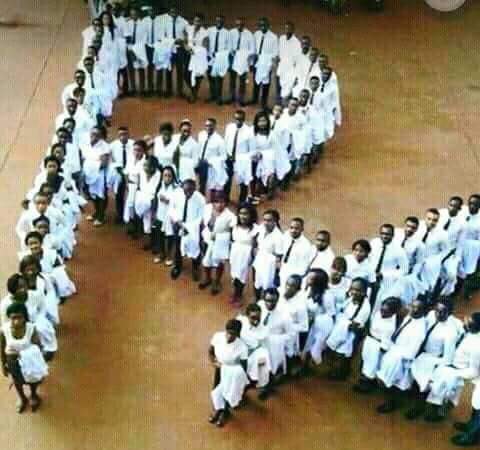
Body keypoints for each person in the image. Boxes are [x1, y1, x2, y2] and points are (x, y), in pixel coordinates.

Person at [406, 298, 462, 421]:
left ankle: (419, 408)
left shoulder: (450, 332)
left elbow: (448, 358)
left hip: (432, 359)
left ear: (449, 313)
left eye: (442, 312)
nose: (438, 314)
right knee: (414, 380)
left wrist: (432, 365)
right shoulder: (431, 315)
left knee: (423, 385)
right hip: (420, 353)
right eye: (436, 310)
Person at [425, 312, 480, 425]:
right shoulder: (465, 331)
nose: (465, 321)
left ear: (475, 326)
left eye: (469, 321)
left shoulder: (476, 346)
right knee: (437, 390)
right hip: (448, 363)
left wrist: (456, 374)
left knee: (450, 395)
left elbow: (474, 371)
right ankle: (435, 410)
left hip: (458, 370)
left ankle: (440, 414)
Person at [376, 299, 428, 413]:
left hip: (400, 359)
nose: (412, 309)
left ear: (423, 311)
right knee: (387, 380)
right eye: (412, 306)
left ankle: (391, 404)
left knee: (395, 384)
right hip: (394, 352)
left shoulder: (420, 330)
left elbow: (411, 352)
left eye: (416, 308)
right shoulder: (410, 317)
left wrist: (395, 353)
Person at [1, 302, 48, 413]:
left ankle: (33, 395)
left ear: (24, 317)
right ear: (9, 318)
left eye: (19, 317)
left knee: (33, 380)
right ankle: (22, 398)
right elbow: (1, 348)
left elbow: (38, 347)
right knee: (17, 381)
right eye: (13, 318)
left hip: (29, 362)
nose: (16, 321)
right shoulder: (4, 330)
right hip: (13, 362)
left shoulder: (31, 329)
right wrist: (3, 365)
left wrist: (25, 354)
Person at [326, 277, 371, 380]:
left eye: (358, 290)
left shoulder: (365, 307)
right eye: (353, 289)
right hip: (341, 328)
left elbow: (355, 326)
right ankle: (335, 371)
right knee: (336, 352)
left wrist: (344, 323)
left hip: (350, 333)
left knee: (342, 354)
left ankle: (341, 374)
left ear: (364, 292)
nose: (354, 292)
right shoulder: (351, 299)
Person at [353, 297, 401, 393]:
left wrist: (380, 352)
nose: (382, 312)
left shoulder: (390, 326)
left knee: (372, 366)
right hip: (370, 340)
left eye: (386, 311)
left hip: (377, 346)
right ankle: (362, 380)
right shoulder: (379, 313)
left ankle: (366, 386)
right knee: (364, 361)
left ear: (392, 313)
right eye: (382, 309)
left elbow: (385, 343)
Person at [208, 319, 249, 427]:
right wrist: (213, 362)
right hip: (219, 368)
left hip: (232, 373)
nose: (229, 336)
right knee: (216, 388)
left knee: (227, 391)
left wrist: (236, 378)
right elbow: (211, 351)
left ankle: (225, 412)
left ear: (238, 334)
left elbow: (244, 366)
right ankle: (218, 409)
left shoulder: (242, 347)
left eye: (233, 334)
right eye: (228, 332)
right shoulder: (218, 337)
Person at [199, 191, 236, 295]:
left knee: (219, 262)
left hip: (220, 242)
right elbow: (203, 222)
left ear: (226, 203)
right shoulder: (207, 208)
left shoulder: (230, 216)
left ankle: (217, 281)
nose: (219, 205)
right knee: (206, 260)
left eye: (222, 202)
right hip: (207, 238)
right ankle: (208, 278)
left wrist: (222, 237)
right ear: (213, 202)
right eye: (217, 202)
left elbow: (233, 230)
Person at [369, 224, 408, 312]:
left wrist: (384, 274)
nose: (384, 236)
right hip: (370, 279)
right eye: (382, 233)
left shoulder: (399, 250)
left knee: (377, 306)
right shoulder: (374, 243)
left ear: (392, 235)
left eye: (387, 234)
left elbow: (404, 270)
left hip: (384, 283)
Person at [236, 303, 272, 399]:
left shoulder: (264, 331)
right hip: (239, 354)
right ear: (247, 316)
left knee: (256, 375)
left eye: (258, 318)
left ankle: (260, 387)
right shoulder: (240, 322)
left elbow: (265, 348)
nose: (256, 321)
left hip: (254, 356)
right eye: (253, 318)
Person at [253, 110, 290, 201]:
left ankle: (270, 193)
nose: (262, 123)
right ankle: (257, 194)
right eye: (260, 121)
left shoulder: (271, 135)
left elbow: (276, 149)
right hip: (255, 159)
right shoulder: (253, 133)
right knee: (257, 179)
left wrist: (264, 155)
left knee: (270, 178)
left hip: (269, 160)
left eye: (264, 121)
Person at [302, 269, 335, 367]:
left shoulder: (327, 295)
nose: (307, 279)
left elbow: (331, 314)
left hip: (323, 325)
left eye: (310, 278)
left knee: (315, 352)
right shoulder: (308, 290)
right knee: (305, 350)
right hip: (310, 323)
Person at [258, 288, 293, 379]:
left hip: (273, 345)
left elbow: (291, 334)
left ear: (277, 300)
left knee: (271, 366)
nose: (270, 304)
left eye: (273, 301)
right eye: (267, 300)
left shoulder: (284, 316)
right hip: (259, 341)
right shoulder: (260, 306)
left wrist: (276, 339)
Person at [279, 274, 309, 376]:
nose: (288, 287)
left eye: (292, 286)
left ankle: (288, 369)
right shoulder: (279, 294)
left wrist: (288, 326)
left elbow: (304, 326)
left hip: (289, 332)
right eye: (287, 284)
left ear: (298, 289)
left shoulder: (300, 305)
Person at [223, 109, 255, 203]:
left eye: (240, 119)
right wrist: (226, 154)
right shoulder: (229, 127)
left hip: (241, 160)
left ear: (243, 119)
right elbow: (226, 141)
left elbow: (252, 149)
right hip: (229, 158)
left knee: (243, 182)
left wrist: (245, 159)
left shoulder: (249, 132)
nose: (238, 121)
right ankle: (225, 198)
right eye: (236, 119)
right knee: (227, 180)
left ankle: (242, 201)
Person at [229, 204, 258, 305]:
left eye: (246, 214)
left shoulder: (255, 229)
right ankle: (235, 292)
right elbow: (231, 239)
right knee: (234, 274)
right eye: (241, 213)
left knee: (242, 275)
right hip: (235, 251)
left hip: (245, 254)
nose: (243, 216)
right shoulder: (234, 225)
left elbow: (255, 245)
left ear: (251, 215)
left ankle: (239, 295)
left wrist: (252, 257)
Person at [152, 165, 180, 264]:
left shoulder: (177, 188)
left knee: (170, 236)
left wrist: (168, 201)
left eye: (169, 176)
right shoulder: (160, 185)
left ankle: (169, 256)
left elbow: (178, 202)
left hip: (170, 216)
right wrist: (154, 213)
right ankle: (161, 254)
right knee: (159, 235)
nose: (167, 178)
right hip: (160, 214)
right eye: (165, 175)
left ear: (173, 177)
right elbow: (156, 199)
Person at [252, 209, 283, 300]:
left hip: (269, 264)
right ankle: (257, 299)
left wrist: (276, 270)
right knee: (257, 282)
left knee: (267, 284)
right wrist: (255, 248)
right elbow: (254, 237)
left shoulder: (279, 236)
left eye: (269, 220)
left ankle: (266, 300)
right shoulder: (261, 228)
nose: (266, 222)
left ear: (275, 221)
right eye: (264, 220)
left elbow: (279, 255)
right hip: (259, 259)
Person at [133, 156, 162, 250]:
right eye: (144, 165)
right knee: (145, 220)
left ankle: (155, 244)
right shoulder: (141, 172)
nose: (144, 167)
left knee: (153, 221)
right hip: (142, 199)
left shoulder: (159, 175)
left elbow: (157, 192)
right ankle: (147, 241)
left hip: (154, 200)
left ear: (153, 167)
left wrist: (154, 207)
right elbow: (139, 187)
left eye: (147, 165)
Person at [160, 6, 188, 98]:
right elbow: (163, 36)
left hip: (180, 49)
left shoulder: (183, 22)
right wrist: (171, 41)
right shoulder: (165, 22)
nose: (173, 13)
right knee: (169, 70)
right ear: (169, 13)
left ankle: (180, 91)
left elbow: (187, 34)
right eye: (171, 12)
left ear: (178, 12)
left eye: (175, 11)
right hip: (169, 48)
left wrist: (183, 40)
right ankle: (169, 91)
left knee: (180, 70)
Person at [250, 17, 278, 109]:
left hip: (266, 63)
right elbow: (254, 49)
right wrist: (252, 62)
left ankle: (263, 102)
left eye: (264, 25)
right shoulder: (256, 34)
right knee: (256, 81)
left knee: (266, 83)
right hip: (257, 61)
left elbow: (275, 53)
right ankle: (254, 99)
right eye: (261, 25)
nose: (262, 27)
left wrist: (271, 65)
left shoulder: (273, 37)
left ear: (268, 26)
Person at [278, 217, 315, 288]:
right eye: (291, 227)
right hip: (283, 272)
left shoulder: (306, 245)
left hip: (294, 277)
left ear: (302, 229)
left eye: (296, 228)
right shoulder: (286, 235)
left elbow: (304, 266)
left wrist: (296, 279)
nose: (293, 230)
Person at [196, 118, 228, 196]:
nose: (208, 128)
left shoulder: (219, 140)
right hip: (200, 162)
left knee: (210, 185)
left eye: (210, 125)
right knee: (200, 183)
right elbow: (198, 148)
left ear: (214, 126)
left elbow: (224, 156)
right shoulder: (201, 135)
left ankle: (210, 200)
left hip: (210, 166)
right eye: (206, 125)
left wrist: (212, 161)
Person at [110, 126, 135, 223]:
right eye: (121, 134)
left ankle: (131, 216)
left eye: (125, 134)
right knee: (119, 194)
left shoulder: (133, 144)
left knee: (132, 194)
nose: (123, 136)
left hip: (131, 170)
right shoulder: (113, 145)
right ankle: (120, 214)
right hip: (119, 171)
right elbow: (111, 159)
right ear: (118, 135)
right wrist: (118, 169)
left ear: (128, 134)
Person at [228, 17, 255, 106]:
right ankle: (232, 97)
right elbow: (229, 45)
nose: (239, 26)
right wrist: (231, 51)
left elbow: (252, 50)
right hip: (233, 58)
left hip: (243, 60)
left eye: (241, 25)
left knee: (242, 81)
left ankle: (241, 99)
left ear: (244, 25)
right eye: (237, 25)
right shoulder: (231, 33)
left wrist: (246, 56)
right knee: (232, 79)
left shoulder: (249, 34)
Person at [184, 13, 208, 103]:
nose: (196, 23)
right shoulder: (189, 28)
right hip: (188, 54)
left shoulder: (204, 32)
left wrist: (196, 51)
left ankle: (193, 94)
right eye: (195, 21)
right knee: (186, 74)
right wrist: (186, 47)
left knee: (197, 75)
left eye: (198, 21)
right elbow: (185, 40)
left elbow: (205, 46)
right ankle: (193, 91)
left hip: (198, 55)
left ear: (202, 22)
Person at [206, 15, 231, 105]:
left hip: (220, 58)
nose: (219, 23)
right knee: (210, 77)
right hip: (210, 56)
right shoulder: (209, 30)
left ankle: (219, 97)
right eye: (217, 21)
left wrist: (221, 55)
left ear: (223, 22)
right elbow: (206, 42)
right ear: (215, 21)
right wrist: (208, 53)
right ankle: (213, 95)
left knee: (219, 78)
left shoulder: (227, 33)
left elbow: (229, 47)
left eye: (221, 21)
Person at [275, 21, 301, 104]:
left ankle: (285, 107)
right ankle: (278, 105)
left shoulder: (297, 43)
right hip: (281, 69)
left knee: (287, 91)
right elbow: (278, 53)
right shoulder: (281, 39)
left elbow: (297, 60)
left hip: (290, 71)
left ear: (293, 30)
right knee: (278, 89)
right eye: (286, 28)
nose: (287, 30)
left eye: (289, 29)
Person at [124, 6, 148, 96]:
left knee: (141, 69)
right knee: (131, 69)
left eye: (135, 14)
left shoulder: (143, 24)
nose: (133, 16)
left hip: (140, 49)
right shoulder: (127, 24)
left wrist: (138, 49)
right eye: (131, 14)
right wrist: (130, 49)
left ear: (138, 14)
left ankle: (142, 89)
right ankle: (133, 88)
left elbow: (144, 38)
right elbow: (127, 37)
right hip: (130, 49)